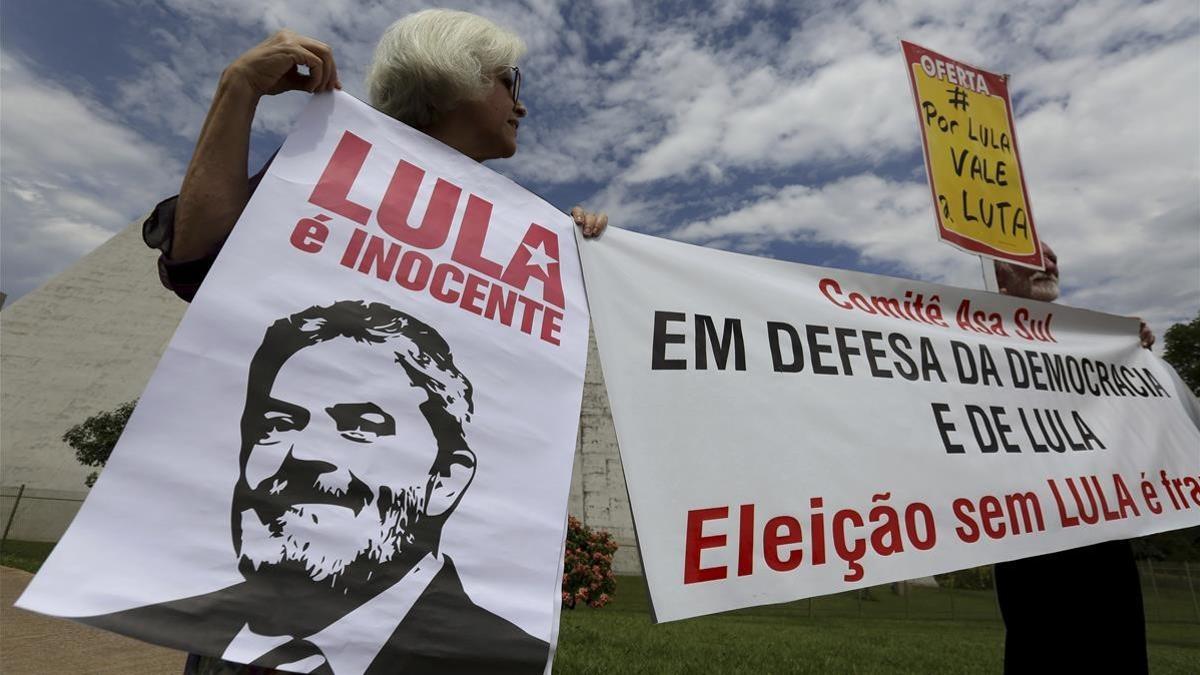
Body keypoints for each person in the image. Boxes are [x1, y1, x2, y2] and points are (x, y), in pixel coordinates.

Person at [86, 301, 547, 674]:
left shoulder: (503, 663)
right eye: (276, 424)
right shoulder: (190, 625)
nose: (300, 453)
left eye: (359, 426)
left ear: (444, 480)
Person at [144, 8, 607, 303]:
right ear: (454, 73)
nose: (521, 105)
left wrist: (578, 247)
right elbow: (198, 268)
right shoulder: (332, 168)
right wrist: (238, 88)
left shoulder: (528, 230)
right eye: (511, 81)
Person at [991, 241, 1150, 674]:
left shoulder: (1086, 345)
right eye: (1029, 257)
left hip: (1106, 530)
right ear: (1001, 277)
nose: (1049, 264)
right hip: (1031, 532)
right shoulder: (974, 338)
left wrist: (1128, 352)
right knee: (1044, 651)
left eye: (1054, 258)